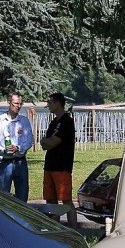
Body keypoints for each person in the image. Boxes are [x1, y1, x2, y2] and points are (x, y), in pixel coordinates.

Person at [0, 92, 34, 202]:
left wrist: (18, 148)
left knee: (22, 197)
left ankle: (21, 218)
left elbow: (29, 141)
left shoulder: (24, 121)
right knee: (3, 198)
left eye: (20, 104)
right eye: (15, 103)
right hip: (4, 163)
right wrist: (3, 150)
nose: (18, 106)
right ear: (9, 102)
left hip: (20, 162)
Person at [39, 93, 77, 227]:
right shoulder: (53, 122)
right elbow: (44, 144)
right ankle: (55, 229)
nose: (48, 105)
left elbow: (53, 142)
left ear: (58, 103)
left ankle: (74, 229)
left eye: (50, 102)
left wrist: (46, 142)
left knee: (66, 200)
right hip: (49, 165)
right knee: (50, 200)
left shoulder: (67, 121)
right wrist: (46, 142)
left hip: (62, 166)